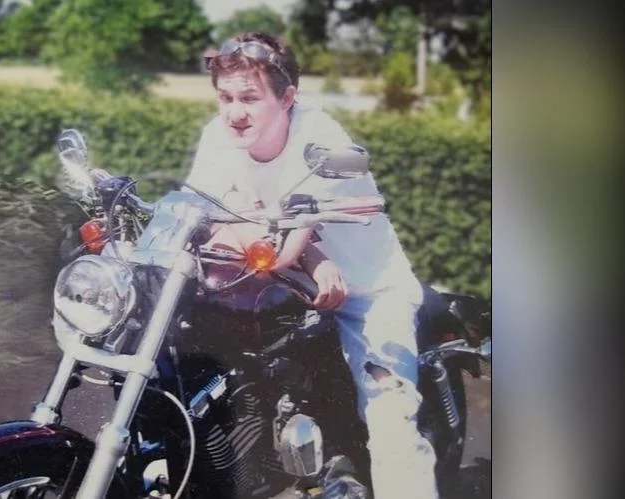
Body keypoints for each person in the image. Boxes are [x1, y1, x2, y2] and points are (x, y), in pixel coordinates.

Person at [184, 31, 439, 499]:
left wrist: (280, 238)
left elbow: (282, 240)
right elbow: (206, 211)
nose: (234, 112)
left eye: (250, 98)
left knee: (390, 417)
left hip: (366, 289)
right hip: (288, 285)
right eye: (225, 97)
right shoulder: (217, 137)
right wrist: (312, 256)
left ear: (288, 98)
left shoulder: (319, 140)